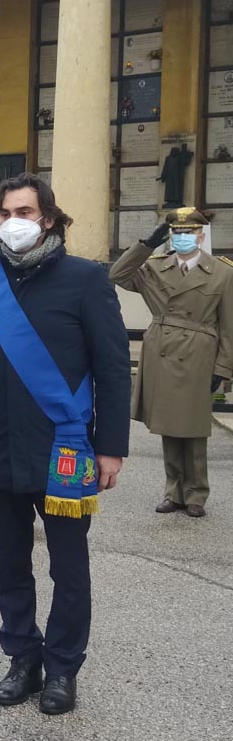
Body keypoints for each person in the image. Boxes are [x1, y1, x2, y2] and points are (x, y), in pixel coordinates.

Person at [0, 173, 130, 715]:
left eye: (24, 213)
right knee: (8, 561)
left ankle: (63, 667)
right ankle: (23, 659)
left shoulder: (86, 279)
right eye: (4, 215)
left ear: (47, 217)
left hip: (66, 449)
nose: (13, 224)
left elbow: (114, 368)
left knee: (69, 566)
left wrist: (111, 446)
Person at [110, 207, 233, 518]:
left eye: (189, 233)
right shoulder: (154, 267)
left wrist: (223, 369)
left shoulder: (222, 272)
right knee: (168, 427)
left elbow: (229, 326)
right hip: (162, 350)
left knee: (193, 429)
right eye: (177, 233)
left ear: (201, 236)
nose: (183, 238)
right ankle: (172, 491)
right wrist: (147, 243)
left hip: (198, 354)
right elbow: (117, 274)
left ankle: (196, 495)